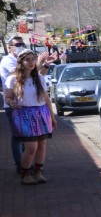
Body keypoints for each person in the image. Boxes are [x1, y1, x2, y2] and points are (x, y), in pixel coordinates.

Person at [3, 49, 57, 184]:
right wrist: (11, 102)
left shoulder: (39, 78)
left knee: (42, 145)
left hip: (41, 113)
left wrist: (52, 116)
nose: (31, 62)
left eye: (33, 59)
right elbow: (7, 97)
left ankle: (38, 173)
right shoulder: (12, 79)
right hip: (24, 114)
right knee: (31, 148)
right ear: (21, 62)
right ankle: (25, 174)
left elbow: (46, 98)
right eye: (27, 59)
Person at [1, 35, 26, 173]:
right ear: (10, 47)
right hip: (12, 105)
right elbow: (19, 74)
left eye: (22, 44)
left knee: (27, 136)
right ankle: (21, 166)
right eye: (17, 45)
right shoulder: (8, 61)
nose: (20, 46)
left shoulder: (21, 60)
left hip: (25, 104)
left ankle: (27, 164)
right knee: (18, 136)